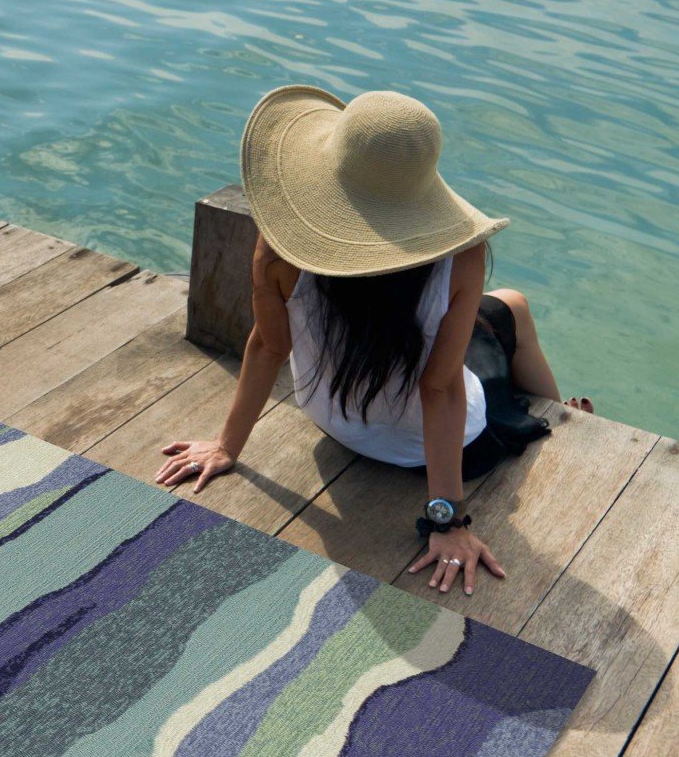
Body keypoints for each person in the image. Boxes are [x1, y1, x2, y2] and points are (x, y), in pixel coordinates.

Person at [155, 86, 591, 596]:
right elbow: (440, 390)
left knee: (475, 324)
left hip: (334, 425)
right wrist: (447, 522)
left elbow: (267, 347)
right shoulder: (463, 258)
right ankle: (565, 417)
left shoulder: (280, 249)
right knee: (510, 305)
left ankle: (559, 412)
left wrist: (227, 445)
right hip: (449, 452)